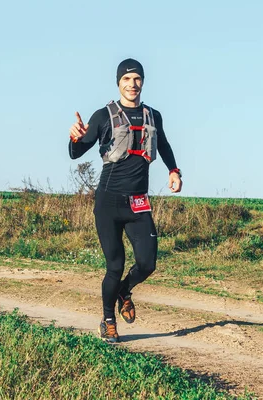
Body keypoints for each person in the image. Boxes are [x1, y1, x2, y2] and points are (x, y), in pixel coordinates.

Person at [68, 58, 182, 343]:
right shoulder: (103, 115)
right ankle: (108, 320)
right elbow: (75, 153)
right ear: (118, 83)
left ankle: (123, 291)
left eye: (137, 79)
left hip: (138, 203)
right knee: (115, 265)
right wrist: (75, 138)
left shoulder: (153, 115)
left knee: (147, 263)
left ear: (143, 82)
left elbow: (164, 144)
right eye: (126, 80)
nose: (132, 84)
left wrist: (174, 171)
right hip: (108, 203)